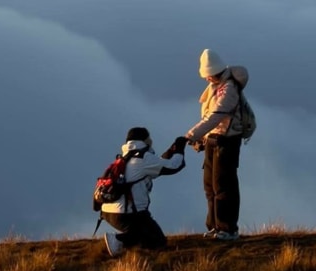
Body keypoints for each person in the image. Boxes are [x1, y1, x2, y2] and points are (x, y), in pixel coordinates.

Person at [184, 48, 247, 241]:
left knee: (223, 185)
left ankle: (227, 229)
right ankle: (215, 226)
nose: (206, 79)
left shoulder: (228, 89)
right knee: (210, 185)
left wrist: (192, 135)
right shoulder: (218, 86)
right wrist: (202, 138)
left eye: (208, 75)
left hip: (226, 141)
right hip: (214, 140)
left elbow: (216, 116)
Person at [101, 127, 188, 257]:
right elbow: (174, 166)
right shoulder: (144, 158)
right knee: (158, 241)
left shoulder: (126, 157)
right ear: (145, 140)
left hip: (109, 212)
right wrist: (180, 148)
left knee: (153, 238)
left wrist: (171, 150)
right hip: (128, 214)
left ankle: (127, 244)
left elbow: (158, 164)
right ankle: (119, 240)